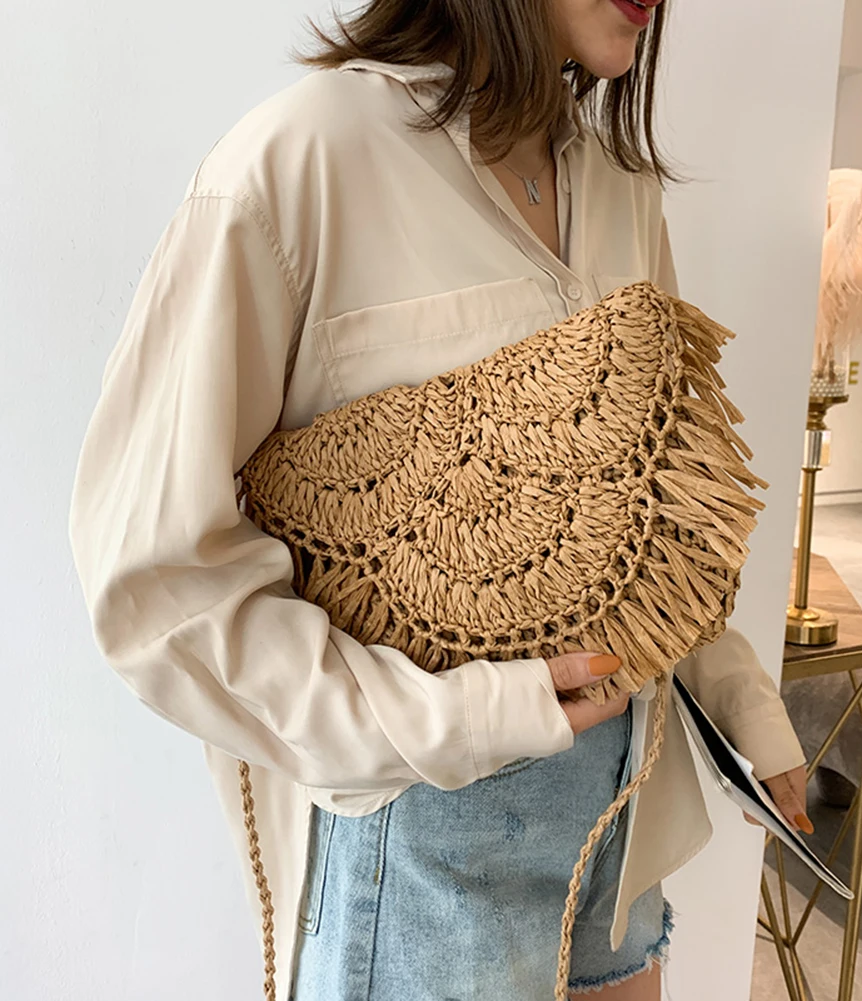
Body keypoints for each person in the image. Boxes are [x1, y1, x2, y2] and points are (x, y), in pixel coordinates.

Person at [67, 1, 811, 999]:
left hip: (622, 818)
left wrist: (738, 701)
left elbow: (649, 522)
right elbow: (155, 580)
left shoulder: (617, 186)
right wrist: (454, 717)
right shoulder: (305, 160)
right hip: (421, 846)